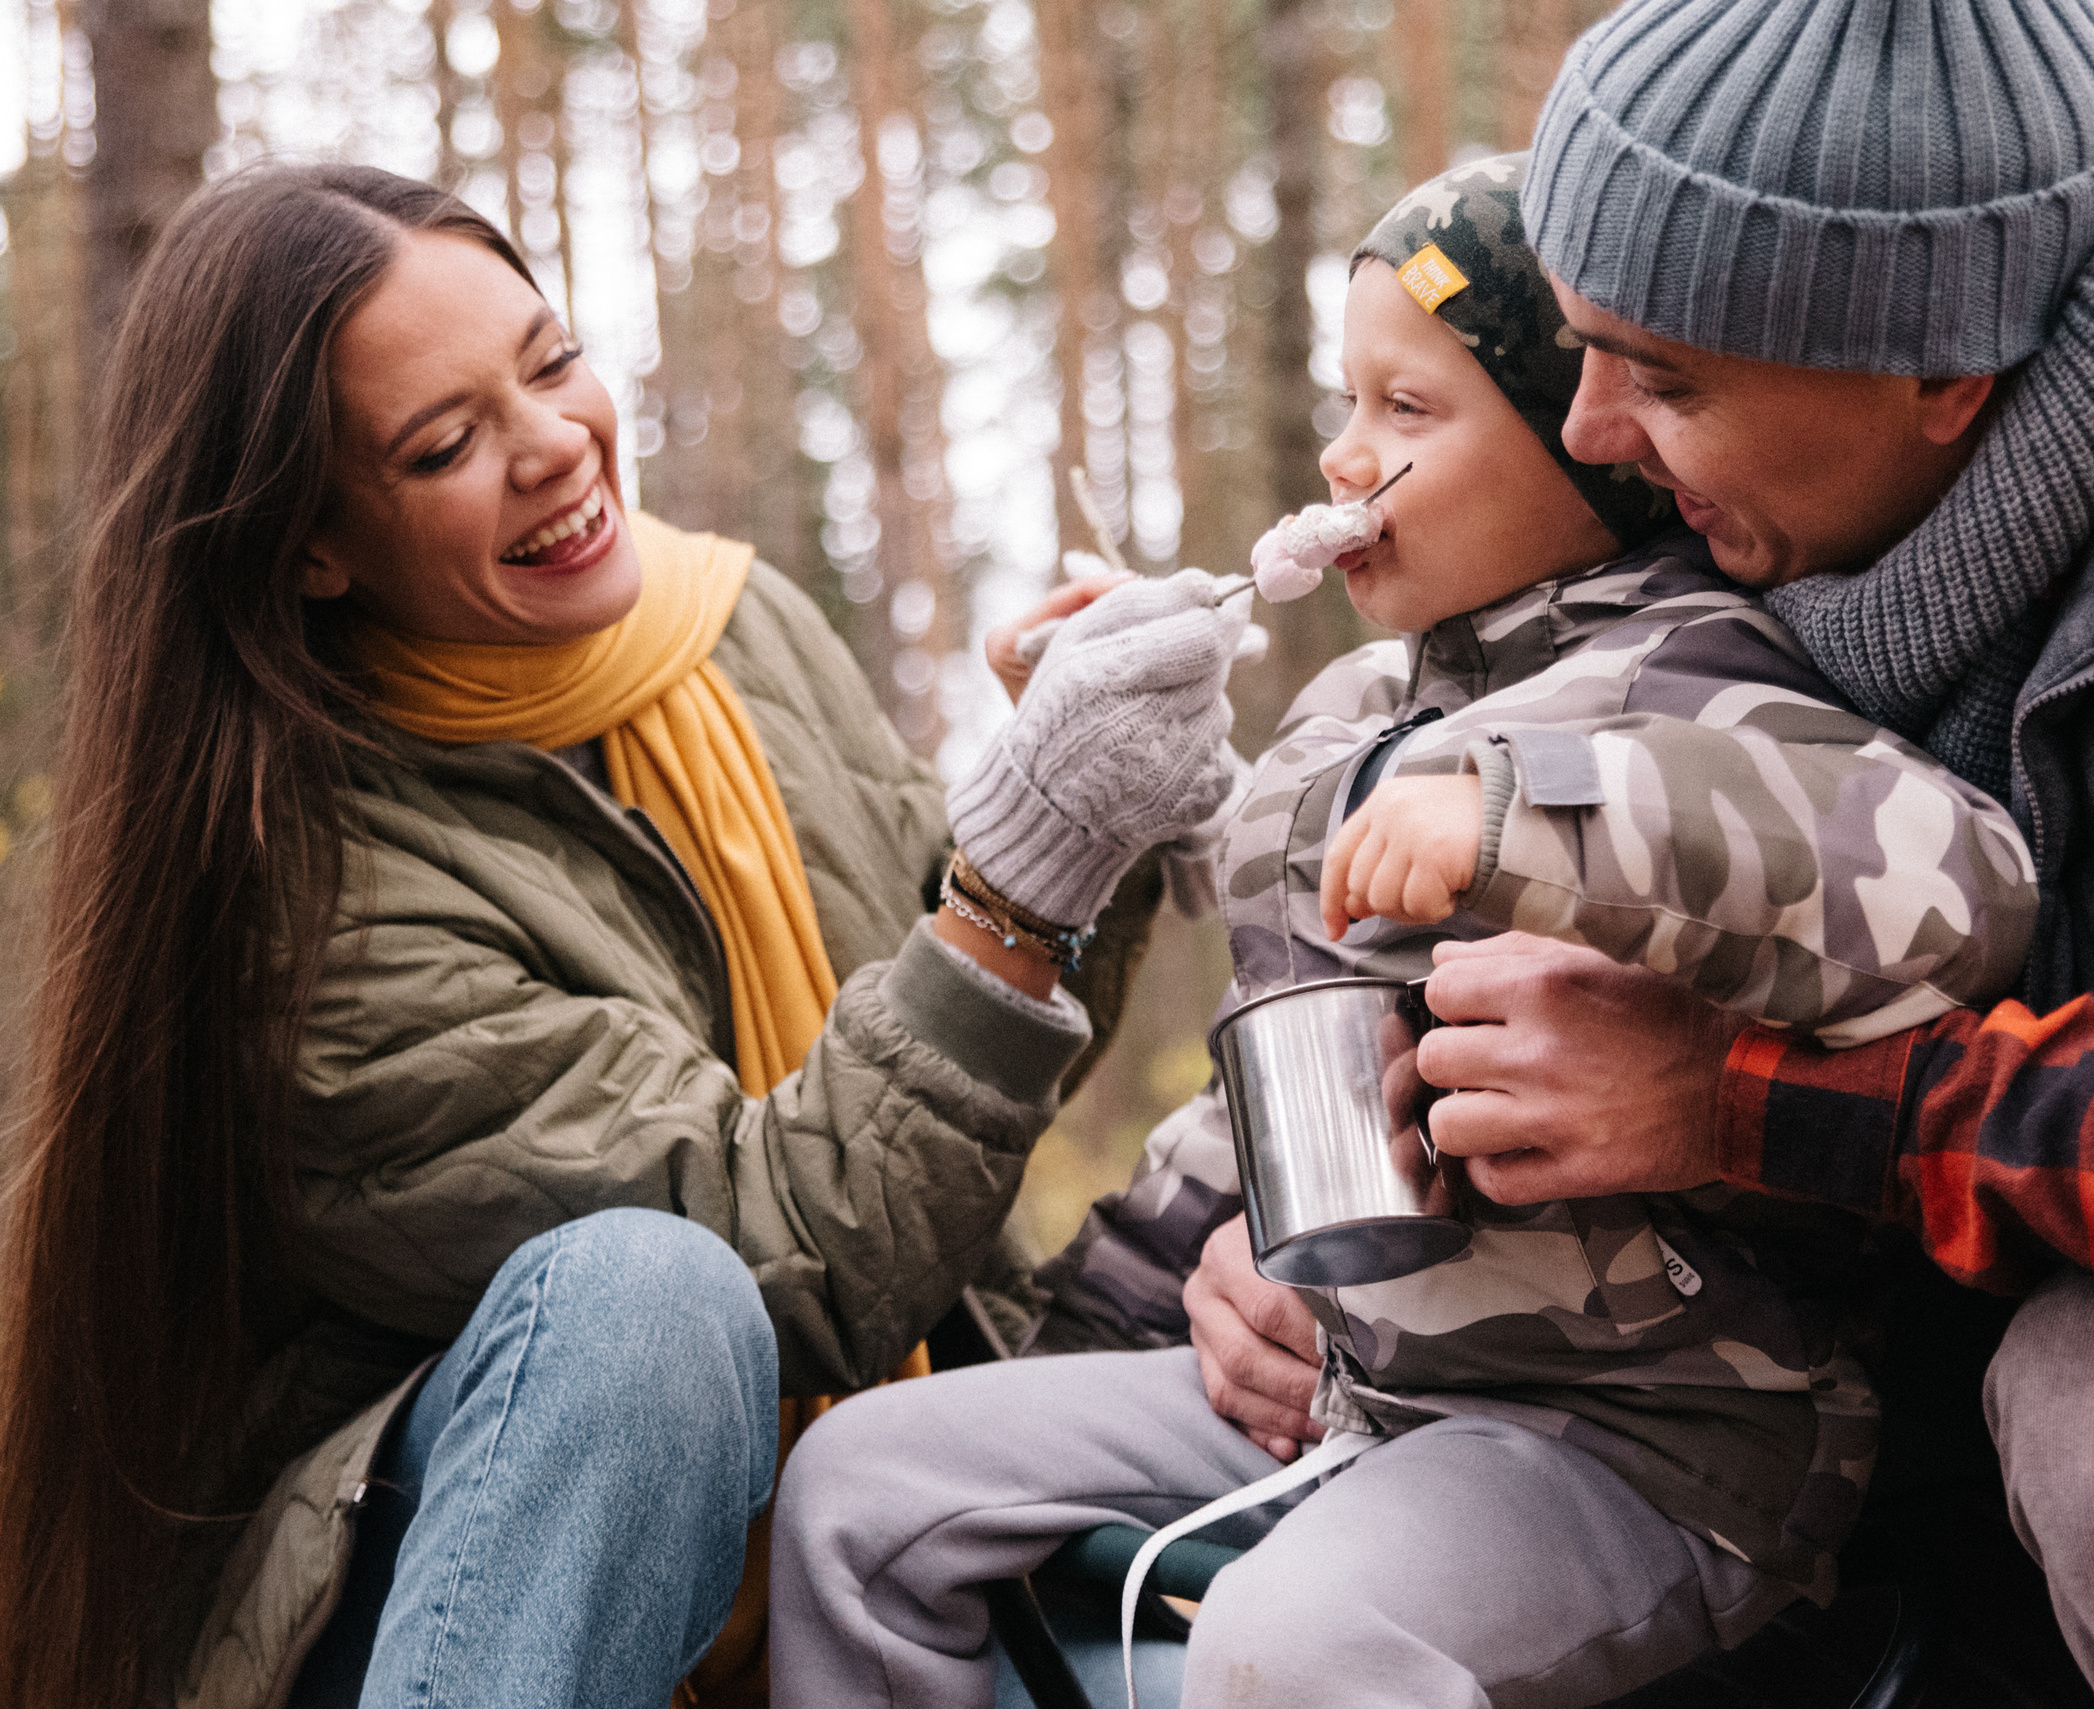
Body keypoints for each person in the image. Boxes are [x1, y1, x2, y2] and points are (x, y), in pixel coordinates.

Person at [1164, 2, 2094, 1705]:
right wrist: (1275, 1238)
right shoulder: (1788, 485)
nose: (1591, 432)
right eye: (1587, 345)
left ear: (1948, 377)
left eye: (1663, 378)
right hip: (1870, 1384)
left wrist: (1742, 1101)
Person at [766, 157, 2038, 1709]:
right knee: (863, 1493)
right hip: (1366, 1382)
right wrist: (1080, 1322)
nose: (1343, 457)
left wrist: (1530, 815)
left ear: (1591, 447)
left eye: (1408, 412)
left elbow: (1959, 886)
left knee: (1285, 1645)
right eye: (1341, 404)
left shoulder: (1705, 671)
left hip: (1640, 1438)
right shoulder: (1346, 716)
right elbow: (1264, 1078)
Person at [0, 164, 1259, 1709]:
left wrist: (1091, 812)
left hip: (871, 1475)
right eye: (447, 443)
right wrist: (1021, 872)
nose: (553, 448)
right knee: (644, 1299)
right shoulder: (295, 906)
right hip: (468, 1600)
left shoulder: (736, 630)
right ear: (311, 547)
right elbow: (793, 1240)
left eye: (551, 362)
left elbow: (934, 1100)